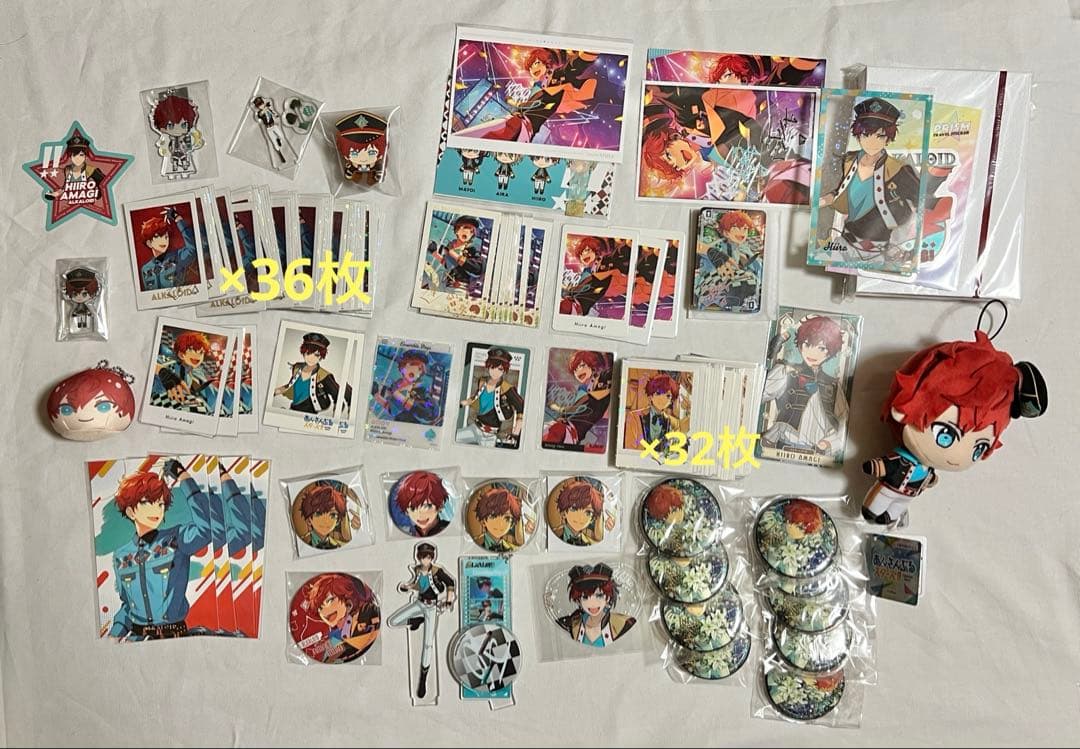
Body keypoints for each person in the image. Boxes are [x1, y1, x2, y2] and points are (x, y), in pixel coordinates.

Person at [862, 331, 1046, 525]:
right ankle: (874, 511)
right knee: (883, 498)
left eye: (979, 448)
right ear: (904, 409)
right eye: (946, 435)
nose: (958, 457)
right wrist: (875, 466)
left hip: (908, 494)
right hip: (891, 488)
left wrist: (930, 480)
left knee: (899, 504)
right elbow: (887, 465)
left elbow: (929, 479)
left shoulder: (927, 469)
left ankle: (889, 516)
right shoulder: (903, 459)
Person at [106, 459, 216, 640]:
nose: (156, 509)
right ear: (131, 512)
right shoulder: (120, 555)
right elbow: (127, 606)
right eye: (147, 502)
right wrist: (114, 636)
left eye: (160, 504)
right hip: (136, 640)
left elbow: (207, 529)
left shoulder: (177, 538)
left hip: (174, 638)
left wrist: (183, 476)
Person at [818, 97, 920, 250]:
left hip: (877, 248)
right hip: (845, 240)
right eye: (866, 134)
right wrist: (820, 201)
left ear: (888, 139)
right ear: (858, 135)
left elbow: (923, 199)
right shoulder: (849, 161)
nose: (872, 142)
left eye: (880, 136)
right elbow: (840, 193)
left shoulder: (897, 169)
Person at [457, 47, 599, 144]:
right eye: (530, 67)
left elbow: (576, 65)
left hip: (523, 127)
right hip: (515, 123)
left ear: (547, 62)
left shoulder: (558, 76)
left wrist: (591, 50)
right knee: (467, 138)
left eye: (536, 63)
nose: (533, 69)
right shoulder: (536, 87)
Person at [760, 315, 847, 455]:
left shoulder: (833, 384)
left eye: (821, 348)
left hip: (820, 450)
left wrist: (829, 443)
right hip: (784, 442)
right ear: (800, 345)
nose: (812, 352)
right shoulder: (786, 371)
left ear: (830, 352)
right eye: (807, 344)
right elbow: (758, 397)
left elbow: (844, 419)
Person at [388, 543, 456, 699]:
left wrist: (449, 600)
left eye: (428, 557)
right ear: (419, 558)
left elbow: (450, 583)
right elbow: (419, 585)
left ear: (432, 558)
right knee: (394, 621)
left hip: (432, 608)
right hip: (419, 604)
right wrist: (407, 587)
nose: (425, 560)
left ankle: (423, 680)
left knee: (427, 645)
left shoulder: (437, 571)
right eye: (423, 557)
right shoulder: (418, 569)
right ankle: (416, 621)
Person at [305, 573, 381, 663]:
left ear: (348, 600)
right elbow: (330, 658)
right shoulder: (333, 637)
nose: (324, 612)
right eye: (320, 608)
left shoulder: (367, 611)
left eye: (329, 600)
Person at [458, 347, 525, 448]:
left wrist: (516, 433)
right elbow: (475, 397)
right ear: (488, 367)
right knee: (454, 437)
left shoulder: (507, 388)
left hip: (489, 435)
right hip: (475, 428)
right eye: (492, 367)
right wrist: (462, 403)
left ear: (504, 370)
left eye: (500, 369)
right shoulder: (482, 381)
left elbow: (521, 408)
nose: (495, 372)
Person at [555, 564, 636, 647]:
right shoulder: (571, 624)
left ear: (608, 598)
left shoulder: (623, 624)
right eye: (585, 597)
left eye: (599, 595)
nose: (592, 603)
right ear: (578, 600)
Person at [543, 350, 611, 448]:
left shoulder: (603, 380)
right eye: (575, 370)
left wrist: (557, 408)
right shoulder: (583, 390)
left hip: (571, 433)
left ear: (592, 365)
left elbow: (588, 400)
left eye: (582, 365)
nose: (578, 372)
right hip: (567, 430)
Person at [274, 332, 351, 415]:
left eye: (316, 355)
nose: (311, 358)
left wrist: (335, 416)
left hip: (310, 413)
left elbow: (337, 397)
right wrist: (273, 392)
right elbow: (290, 386)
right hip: (293, 408)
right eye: (308, 353)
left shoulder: (324, 375)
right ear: (303, 353)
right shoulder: (297, 368)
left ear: (321, 356)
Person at [559, 236, 631, 317]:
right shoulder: (585, 272)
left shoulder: (602, 270)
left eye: (587, 250)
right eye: (581, 252)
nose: (583, 254)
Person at [153, 330, 218, 413]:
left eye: (201, 352)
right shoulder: (171, 363)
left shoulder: (197, 371)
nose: (197, 355)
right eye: (191, 349)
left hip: (182, 402)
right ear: (181, 354)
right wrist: (162, 371)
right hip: (160, 400)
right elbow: (151, 363)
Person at [138, 207, 199, 291]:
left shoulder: (177, 257)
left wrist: (178, 218)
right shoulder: (146, 269)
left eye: (166, 236)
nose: (164, 240)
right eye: (158, 237)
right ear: (149, 243)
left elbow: (193, 249)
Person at [371, 349, 437, 424]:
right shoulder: (398, 383)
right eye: (410, 364)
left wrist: (378, 396)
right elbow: (390, 405)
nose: (415, 371)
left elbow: (391, 409)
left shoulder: (416, 391)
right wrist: (378, 394)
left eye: (419, 370)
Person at [622, 373, 680, 456]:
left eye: (668, 396)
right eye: (658, 393)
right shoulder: (634, 417)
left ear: (671, 401)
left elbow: (674, 453)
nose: (662, 399)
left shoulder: (674, 423)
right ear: (651, 396)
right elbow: (629, 450)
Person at [149, 92, 203, 179]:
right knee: (173, 163)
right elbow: (167, 145)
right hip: (173, 153)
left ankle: (185, 170)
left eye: (183, 125)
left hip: (183, 152)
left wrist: (188, 147)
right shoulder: (168, 138)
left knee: (184, 161)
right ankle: (173, 172)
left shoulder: (186, 137)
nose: (177, 130)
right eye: (170, 126)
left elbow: (189, 144)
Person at [294, 481, 361, 549]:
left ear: (337, 521)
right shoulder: (300, 544)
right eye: (319, 514)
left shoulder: (339, 545)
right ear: (309, 520)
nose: (326, 520)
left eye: (333, 515)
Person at [548, 479, 613, 546]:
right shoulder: (552, 536)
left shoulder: (589, 542)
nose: (580, 517)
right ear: (564, 512)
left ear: (592, 519)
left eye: (588, 512)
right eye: (574, 509)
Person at [470, 486, 535, 552]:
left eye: (507, 518)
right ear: (483, 521)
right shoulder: (473, 545)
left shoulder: (513, 549)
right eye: (493, 516)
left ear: (511, 524)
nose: (500, 523)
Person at [46, 131, 106, 202]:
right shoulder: (67, 170)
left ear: (86, 157)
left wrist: (96, 197)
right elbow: (65, 187)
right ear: (70, 157)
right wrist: (54, 194)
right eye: (74, 155)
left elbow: (105, 185)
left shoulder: (92, 170)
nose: (78, 158)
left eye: (81, 155)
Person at [391, 470, 451, 537]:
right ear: (406, 511)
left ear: (440, 505)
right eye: (413, 508)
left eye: (428, 506)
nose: (420, 515)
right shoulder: (405, 532)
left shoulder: (450, 530)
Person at [431, 216, 483, 291]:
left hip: (460, 288)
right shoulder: (450, 246)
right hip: (447, 285)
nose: (468, 232)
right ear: (457, 230)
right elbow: (447, 265)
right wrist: (434, 253)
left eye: (472, 231)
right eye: (466, 227)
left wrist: (454, 255)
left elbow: (478, 268)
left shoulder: (472, 250)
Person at [251, 96, 295, 168]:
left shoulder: (267, 109)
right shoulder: (259, 112)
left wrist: (275, 114)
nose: (261, 105)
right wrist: (265, 108)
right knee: (274, 142)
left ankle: (279, 140)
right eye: (259, 105)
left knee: (282, 136)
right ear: (258, 107)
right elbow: (261, 114)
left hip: (274, 126)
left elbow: (273, 113)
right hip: (268, 129)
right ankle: (280, 154)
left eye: (262, 103)